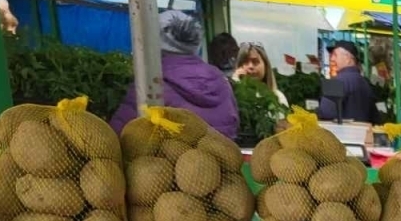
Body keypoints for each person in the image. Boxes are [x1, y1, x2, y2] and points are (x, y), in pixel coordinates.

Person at [110, 10, 238, 139]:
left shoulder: (150, 81)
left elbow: (119, 135)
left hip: (168, 152)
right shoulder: (221, 81)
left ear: (153, 40)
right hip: (221, 151)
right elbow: (232, 125)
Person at [318, 42, 375, 123]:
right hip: (364, 130)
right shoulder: (366, 83)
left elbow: (325, 113)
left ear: (348, 59)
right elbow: (375, 117)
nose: (332, 59)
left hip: (341, 131)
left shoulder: (336, 82)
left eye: (335, 55)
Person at [234, 42, 288, 106]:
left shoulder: (278, 97)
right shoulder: (231, 95)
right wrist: (235, 83)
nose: (250, 66)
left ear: (266, 66)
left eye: (255, 61)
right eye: (245, 62)